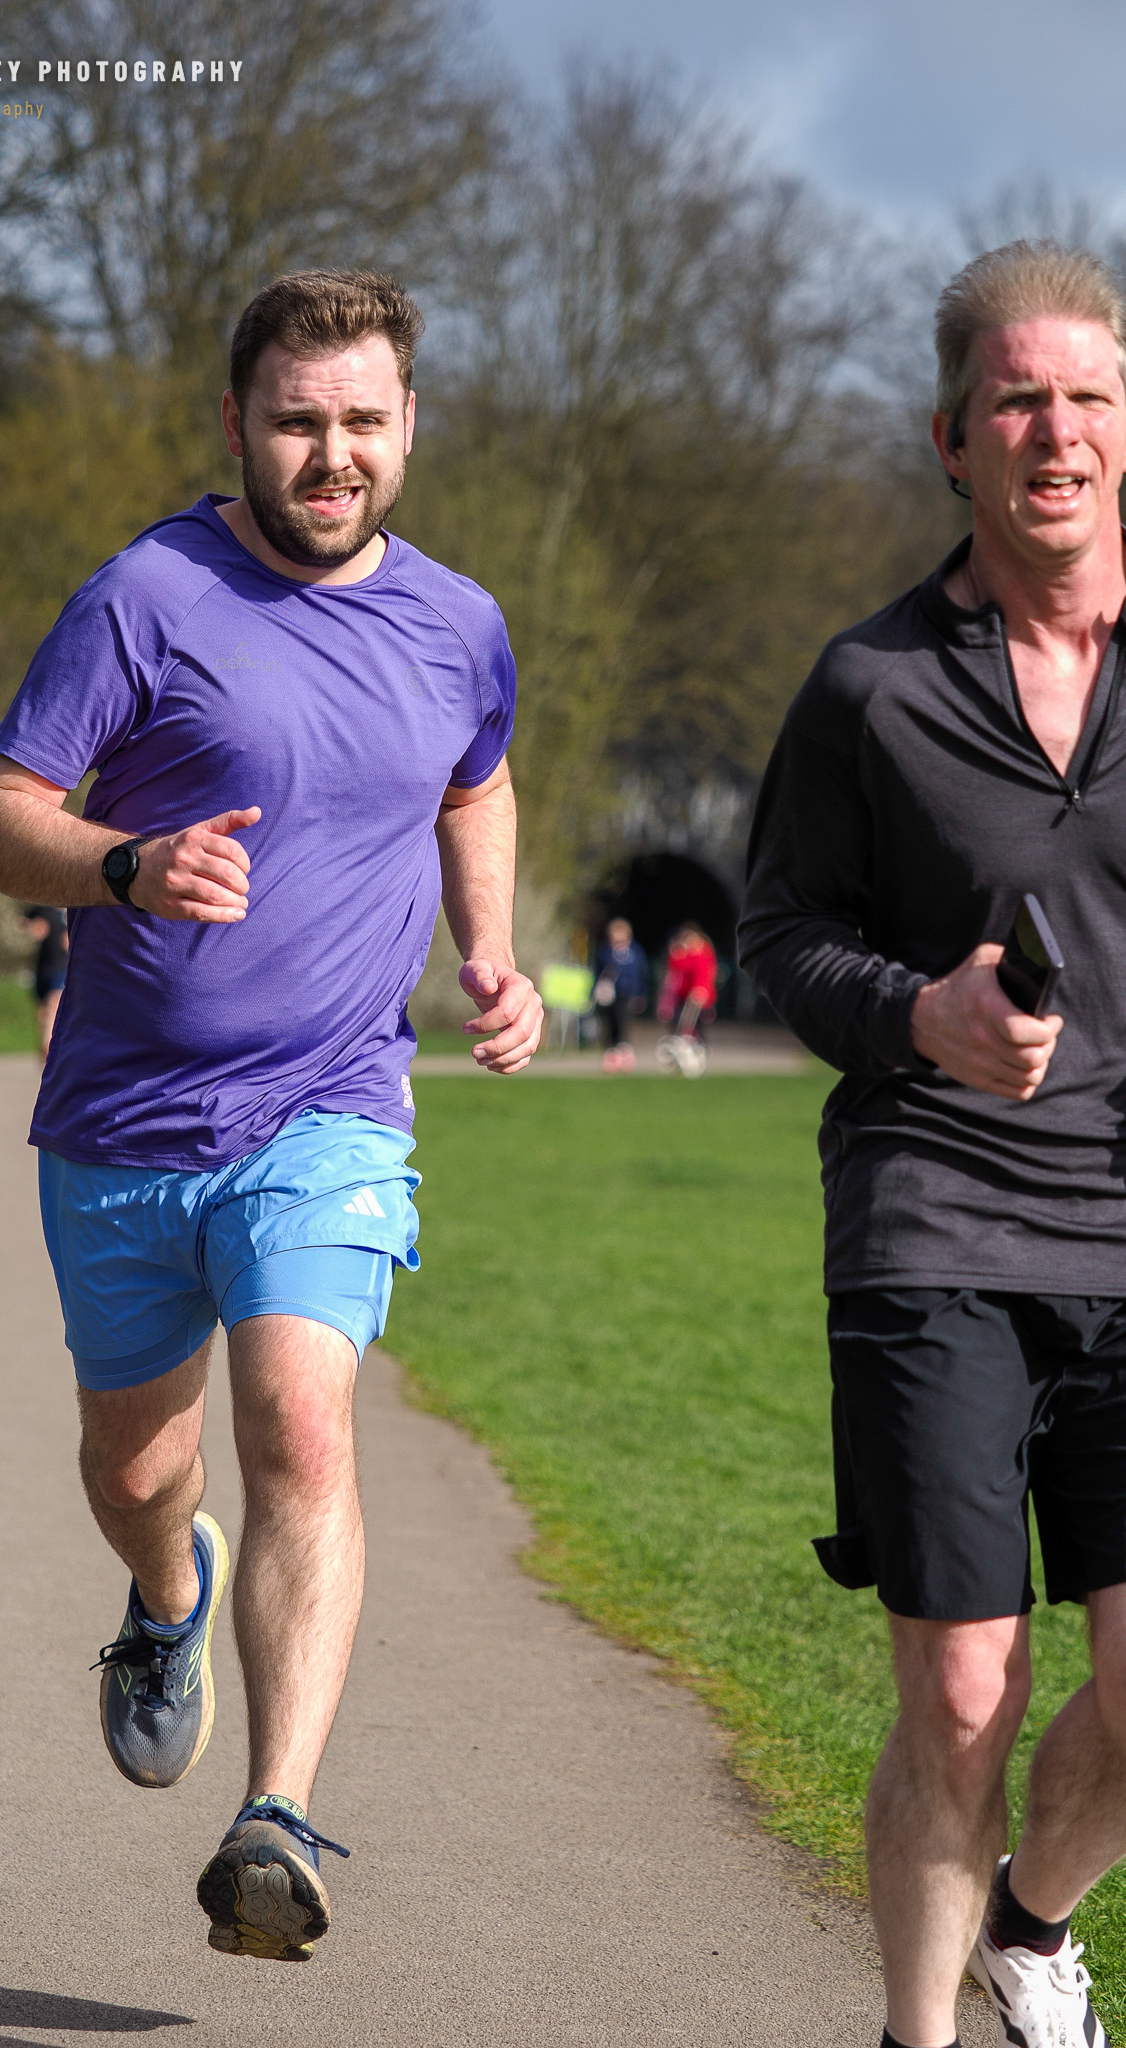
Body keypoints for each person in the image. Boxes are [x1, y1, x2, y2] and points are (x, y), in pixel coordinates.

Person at [0, 268, 542, 1963]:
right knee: (140, 1465)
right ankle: (163, 1596)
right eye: (300, 418)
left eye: (365, 419)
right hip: (126, 1123)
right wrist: (123, 867)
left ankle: (275, 1810)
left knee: (301, 1420)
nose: (334, 451)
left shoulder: (460, 621)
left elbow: (477, 772)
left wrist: (489, 945)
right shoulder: (144, 594)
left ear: (409, 423)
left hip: (332, 1105)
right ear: (240, 423)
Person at [739, 240, 1126, 2048]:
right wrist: (923, 1015)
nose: (1057, 430)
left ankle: (1034, 1924)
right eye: (1020, 398)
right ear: (952, 434)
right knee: (965, 1691)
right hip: (933, 1221)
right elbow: (782, 939)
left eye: (1090, 396)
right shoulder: (871, 687)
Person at [655, 923, 716, 1077]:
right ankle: (685, 1057)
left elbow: (704, 974)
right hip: (685, 997)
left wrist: (701, 990)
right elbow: (676, 967)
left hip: (698, 997)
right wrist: (676, 953)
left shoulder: (703, 953)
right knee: (684, 1027)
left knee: (694, 1027)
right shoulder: (687, 954)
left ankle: (698, 1057)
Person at [592, 916, 647, 1072]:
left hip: (627, 994)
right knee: (610, 1023)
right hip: (609, 995)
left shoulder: (634, 953)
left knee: (623, 1023)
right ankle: (611, 1053)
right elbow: (597, 973)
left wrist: (639, 994)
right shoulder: (605, 953)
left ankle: (624, 1052)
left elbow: (640, 974)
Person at [20, 905, 68, 1057]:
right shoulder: (41, 908)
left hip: (63, 966)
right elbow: (22, 923)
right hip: (43, 966)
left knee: (53, 1002)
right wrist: (32, 928)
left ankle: (49, 1045)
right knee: (42, 1010)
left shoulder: (74, 908)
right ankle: (44, 1043)